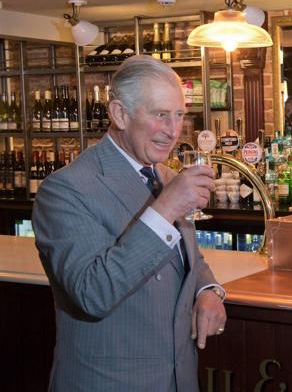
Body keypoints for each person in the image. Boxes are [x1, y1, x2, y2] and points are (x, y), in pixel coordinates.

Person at [33, 55, 226, 392]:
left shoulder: (165, 175)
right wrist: (165, 209)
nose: (173, 130)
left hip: (178, 378)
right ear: (119, 114)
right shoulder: (65, 189)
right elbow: (91, 294)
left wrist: (208, 290)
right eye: (160, 115)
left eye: (179, 115)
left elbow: (185, 256)